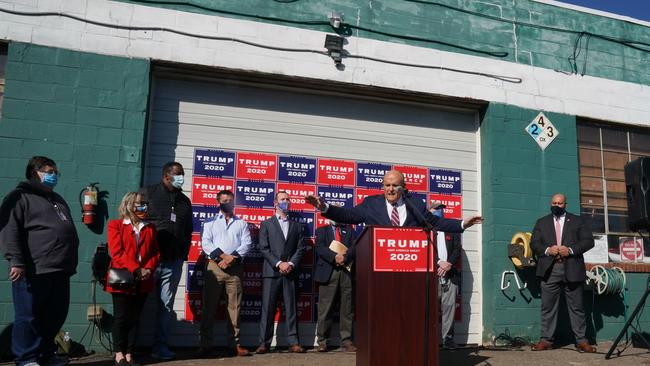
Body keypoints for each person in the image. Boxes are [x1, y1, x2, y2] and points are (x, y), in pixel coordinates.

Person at [0, 156, 79, 366]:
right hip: (33, 269)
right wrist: (16, 260)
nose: (54, 176)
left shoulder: (57, 199)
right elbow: (9, 230)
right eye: (49, 171)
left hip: (60, 269)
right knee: (28, 317)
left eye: (55, 172)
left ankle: (45, 354)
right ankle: (26, 358)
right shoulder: (19, 197)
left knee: (55, 316)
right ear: (34, 173)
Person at [305, 170, 482, 231]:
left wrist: (462, 224)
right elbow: (349, 215)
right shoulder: (371, 204)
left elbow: (435, 222)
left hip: (408, 268)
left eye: (395, 185)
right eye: (386, 185)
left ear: (403, 188)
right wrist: (325, 207)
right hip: (377, 269)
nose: (390, 189)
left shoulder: (416, 204)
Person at [530, 193, 596, 353]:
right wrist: (547, 250)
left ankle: (581, 341)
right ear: (550, 203)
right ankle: (546, 340)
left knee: (577, 307)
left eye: (560, 203)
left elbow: (589, 241)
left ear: (565, 204)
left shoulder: (578, 220)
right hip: (549, 269)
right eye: (554, 202)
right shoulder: (542, 222)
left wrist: (571, 250)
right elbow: (534, 243)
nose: (556, 205)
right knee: (548, 307)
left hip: (572, 267)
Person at [140, 162, 193, 360]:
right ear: (166, 176)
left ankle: (159, 347)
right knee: (138, 304)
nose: (181, 177)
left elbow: (188, 230)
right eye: (178, 174)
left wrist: (182, 253)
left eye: (183, 174)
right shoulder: (147, 193)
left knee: (165, 306)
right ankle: (128, 349)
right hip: (148, 261)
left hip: (173, 262)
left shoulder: (184, 201)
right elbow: (136, 222)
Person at [105, 192, 160, 366]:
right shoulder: (116, 225)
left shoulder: (149, 227)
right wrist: (137, 269)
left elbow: (155, 253)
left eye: (144, 203)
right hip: (123, 277)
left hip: (143, 278)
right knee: (121, 317)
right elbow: (116, 253)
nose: (142, 206)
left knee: (135, 318)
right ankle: (119, 353)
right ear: (129, 205)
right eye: (138, 203)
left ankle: (129, 352)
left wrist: (148, 269)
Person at [197, 190, 252, 357]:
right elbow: (206, 243)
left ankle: (234, 344)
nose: (228, 203)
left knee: (235, 308)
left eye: (230, 200)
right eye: (225, 200)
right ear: (218, 203)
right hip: (214, 267)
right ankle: (205, 344)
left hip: (234, 269)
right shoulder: (209, 222)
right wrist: (222, 256)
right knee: (209, 307)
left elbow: (247, 243)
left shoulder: (241, 223)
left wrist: (231, 258)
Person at [255, 192, 306, 354]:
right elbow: (263, 248)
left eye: (288, 199)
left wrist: (290, 263)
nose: (286, 201)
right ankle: (264, 343)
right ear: (275, 203)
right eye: (282, 199)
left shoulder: (297, 226)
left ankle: (293, 342)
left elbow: (301, 249)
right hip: (272, 272)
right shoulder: (266, 224)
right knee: (268, 309)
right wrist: (278, 263)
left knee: (291, 309)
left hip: (290, 272)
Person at [314, 220, 357, 353]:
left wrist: (344, 257)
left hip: (346, 272)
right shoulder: (321, 231)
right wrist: (335, 257)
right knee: (325, 309)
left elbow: (354, 247)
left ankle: (347, 341)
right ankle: (322, 341)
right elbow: (320, 248)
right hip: (328, 272)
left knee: (347, 309)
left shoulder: (350, 231)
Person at [430, 202, 462, 350]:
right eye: (436, 209)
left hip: (450, 275)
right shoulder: (427, 229)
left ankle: (448, 339)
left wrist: (448, 264)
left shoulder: (451, 228)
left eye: (441, 209)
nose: (439, 211)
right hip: (432, 275)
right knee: (428, 309)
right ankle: (430, 340)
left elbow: (457, 249)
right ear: (430, 210)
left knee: (449, 309)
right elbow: (424, 249)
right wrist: (438, 262)